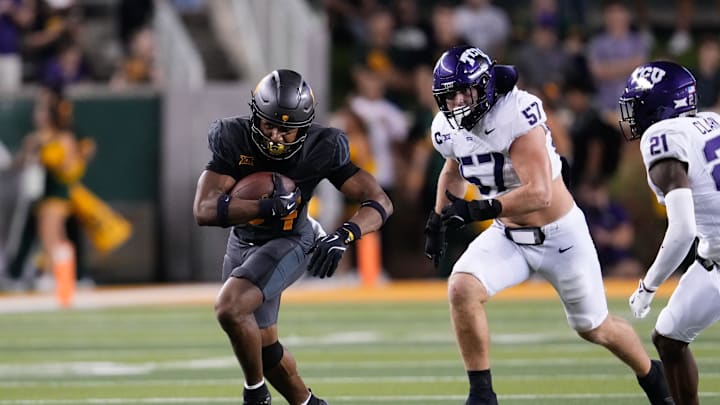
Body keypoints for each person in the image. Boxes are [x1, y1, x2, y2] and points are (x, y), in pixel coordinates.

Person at [423, 45, 673, 405]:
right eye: (450, 95)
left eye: (466, 91)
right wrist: (438, 219)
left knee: (595, 327)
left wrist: (478, 210)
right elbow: (453, 167)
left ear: (485, 86)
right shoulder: (445, 127)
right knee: (461, 288)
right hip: (509, 235)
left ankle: (652, 375)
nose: (458, 102)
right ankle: (481, 394)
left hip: (560, 236)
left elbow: (539, 193)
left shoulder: (514, 112)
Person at [192, 69, 392, 405]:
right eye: (268, 124)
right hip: (242, 241)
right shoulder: (234, 137)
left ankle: (255, 395)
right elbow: (203, 209)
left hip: (291, 240)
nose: (275, 136)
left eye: (286, 129)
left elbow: (379, 201)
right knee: (265, 348)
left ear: (304, 126)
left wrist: (344, 235)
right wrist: (264, 206)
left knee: (230, 308)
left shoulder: (321, 146)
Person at [622, 60, 720, 405]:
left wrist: (648, 286)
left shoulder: (662, 136)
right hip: (714, 260)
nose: (631, 114)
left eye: (636, 104)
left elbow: (682, 230)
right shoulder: (712, 121)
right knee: (669, 339)